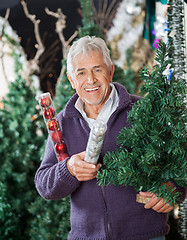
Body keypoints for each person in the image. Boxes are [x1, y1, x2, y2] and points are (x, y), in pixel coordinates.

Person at [35, 36, 185, 240]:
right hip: (86, 236)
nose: (91, 80)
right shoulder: (61, 123)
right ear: (71, 80)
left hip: (145, 235)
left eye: (97, 69)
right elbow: (44, 185)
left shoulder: (143, 110)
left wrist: (173, 188)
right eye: (81, 72)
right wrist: (69, 169)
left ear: (110, 71)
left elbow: (180, 162)